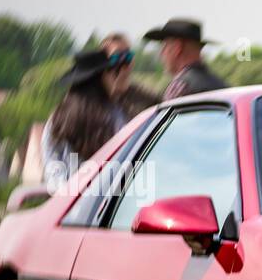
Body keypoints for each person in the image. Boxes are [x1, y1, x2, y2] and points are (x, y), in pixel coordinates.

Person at [41, 49, 132, 192]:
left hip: (69, 206)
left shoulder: (57, 118)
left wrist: (68, 196)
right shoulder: (115, 116)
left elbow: (52, 168)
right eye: (111, 72)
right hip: (107, 204)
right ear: (100, 78)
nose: (114, 78)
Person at [144, 18, 227, 99]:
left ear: (177, 48)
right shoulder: (223, 87)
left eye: (164, 46)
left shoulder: (180, 87)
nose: (161, 54)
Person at [99, 32, 160, 117]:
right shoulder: (91, 99)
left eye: (128, 56)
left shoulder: (147, 97)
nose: (124, 63)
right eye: (117, 57)